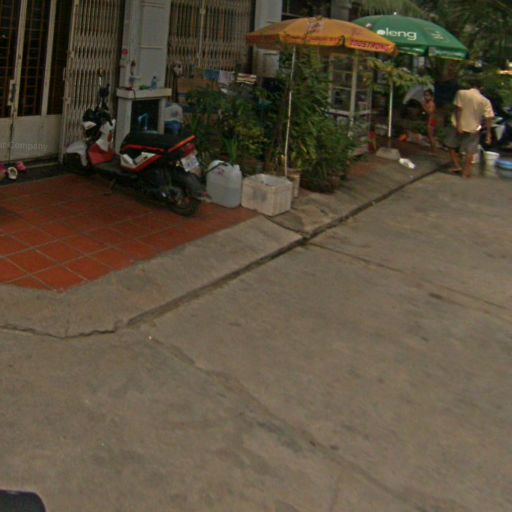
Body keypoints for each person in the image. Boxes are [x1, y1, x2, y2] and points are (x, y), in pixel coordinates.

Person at [445, 78, 494, 178]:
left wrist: (459, 125)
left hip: (457, 125)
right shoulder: (485, 101)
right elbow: (489, 117)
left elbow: (458, 109)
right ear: (481, 88)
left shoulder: (461, 93)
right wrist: (489, 134)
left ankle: (457, 165)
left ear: (470, 85)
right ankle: (465, 172)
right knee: (470, 151)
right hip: (473, 128)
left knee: (450, 146)